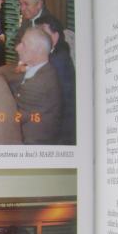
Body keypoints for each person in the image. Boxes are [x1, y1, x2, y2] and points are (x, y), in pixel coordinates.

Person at [10, 27, 63, 144]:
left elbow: (13, 116)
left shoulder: (37, 85)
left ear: (38, 50)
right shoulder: (45, 68)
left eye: (23, 44)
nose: (17, 48)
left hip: (29, 141)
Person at [37, 15, 76, 144]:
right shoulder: (59, 51)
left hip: (62, 131)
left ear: (55, 36)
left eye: (43, 34)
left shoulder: (56, 61)